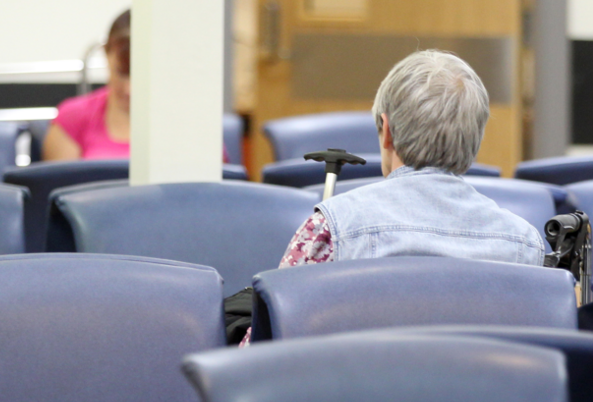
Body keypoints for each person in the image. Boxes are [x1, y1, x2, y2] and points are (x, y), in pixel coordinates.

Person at [230, 50, 546, 345]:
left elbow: (262, 352)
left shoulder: (331, 229)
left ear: (387, 130)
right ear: (475, 138)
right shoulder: (524, 244)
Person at [43, 10, 131, 160]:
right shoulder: (73, 117)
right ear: (106, 53)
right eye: (121, 73)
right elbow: (57, 181)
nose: (129, 89)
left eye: (141, 78)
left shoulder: (178, 122)